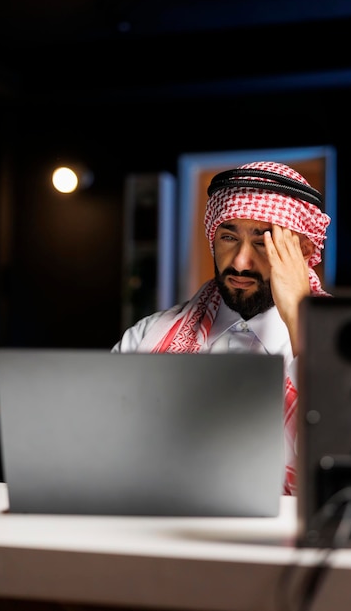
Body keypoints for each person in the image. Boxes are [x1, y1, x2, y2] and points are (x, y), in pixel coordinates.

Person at [112, 160, 331, 495]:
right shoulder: (147, 336)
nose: (241, 262)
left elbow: (349, 454)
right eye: (229, 237)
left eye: (263, 241)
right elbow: (104, 446)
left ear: (302, 252)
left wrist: (302, 322)